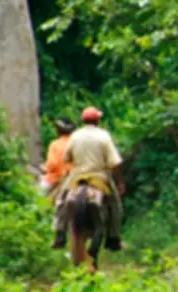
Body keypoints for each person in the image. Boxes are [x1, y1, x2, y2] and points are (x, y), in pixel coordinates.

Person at [50, 106, 125, 251]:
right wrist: (119, 181)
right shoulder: (104, 136)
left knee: (61, 200)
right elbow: (114, 162)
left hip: (77, 176)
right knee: (115, 204)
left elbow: (66, 158)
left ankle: (59, 233)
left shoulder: (76, 135)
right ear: (97, 121)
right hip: (100, 176)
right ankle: (114, 237)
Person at [40, 117, 75, 196]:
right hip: (73, 178)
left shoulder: (55, 144)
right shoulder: (76, 144)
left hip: (56, 179)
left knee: (40, 196)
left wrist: (46, 168)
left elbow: (52, 163)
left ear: (58, 131)